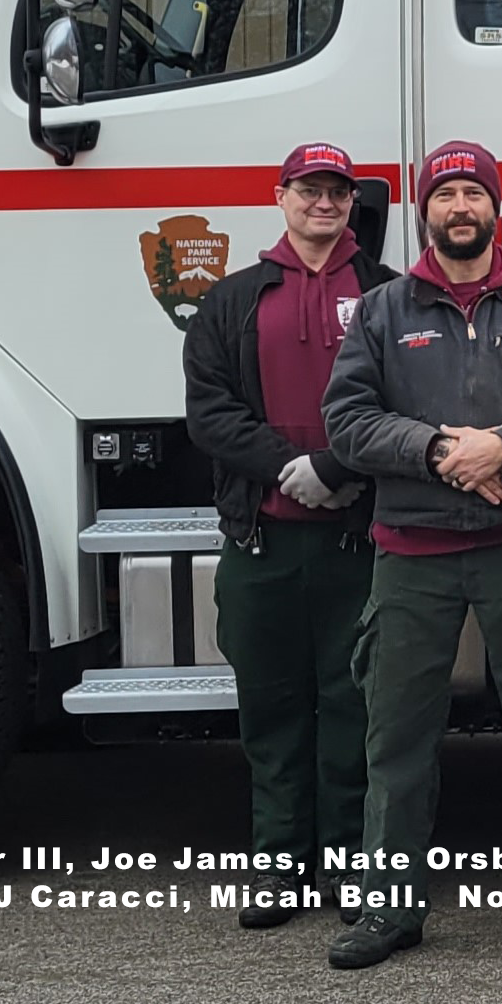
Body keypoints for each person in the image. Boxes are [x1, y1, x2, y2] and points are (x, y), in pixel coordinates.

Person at [319, 141, 502, 970]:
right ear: (426, 210)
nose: (461, 207)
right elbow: (345, 419)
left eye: (473, 194)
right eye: (446, 193)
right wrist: (440, 451)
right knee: (397, 736)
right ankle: (386, 910)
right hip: (410, 552)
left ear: (495, 207)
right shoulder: (383, 309)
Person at [181, 142, 395, 932]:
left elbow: (405, 400)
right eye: (309, 190)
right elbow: (210, 413)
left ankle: (344, 862)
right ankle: (276, 863)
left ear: (351, 202)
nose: (323, 203)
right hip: (261, 541)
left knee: (351, 708)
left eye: (337, 191)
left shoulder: (385, 294)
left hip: (356, 540)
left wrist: (339, 467)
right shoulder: (231, 301)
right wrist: (287, 467)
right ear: (281, 198)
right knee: (269, 710)